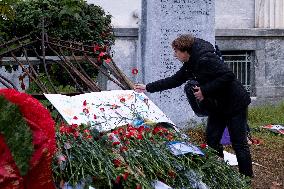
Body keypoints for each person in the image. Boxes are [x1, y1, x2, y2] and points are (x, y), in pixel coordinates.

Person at [134, 34, 253, 177]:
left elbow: (228, 75)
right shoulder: (190, 63)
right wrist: (147, 87)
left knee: (239, 143)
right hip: (218, 106)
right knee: (212, 140)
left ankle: (246, 178)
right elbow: (174, 80)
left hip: (235, 104)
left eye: (176, 51)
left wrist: (205, 90)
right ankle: (223, 174)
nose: (174, 55)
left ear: (185, 52)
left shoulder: (205, 59)